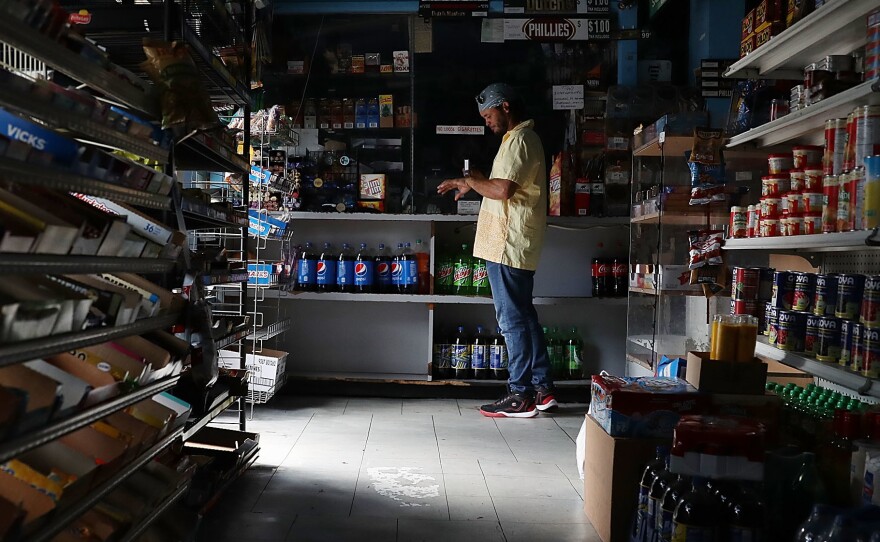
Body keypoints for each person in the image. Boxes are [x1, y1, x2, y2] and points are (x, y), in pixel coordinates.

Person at [437, 83, 556, 418]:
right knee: (524, 317)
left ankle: (521, 394)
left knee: (512, 321)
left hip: (508, 243)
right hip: (512, 243)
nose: (487, 122)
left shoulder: (520, 140)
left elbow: (502, 189)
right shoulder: (515, 140)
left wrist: (472, 181)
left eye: (488, 116)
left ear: (505, 107)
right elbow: (500, 187)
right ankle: (542, 388)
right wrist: (470, 183)